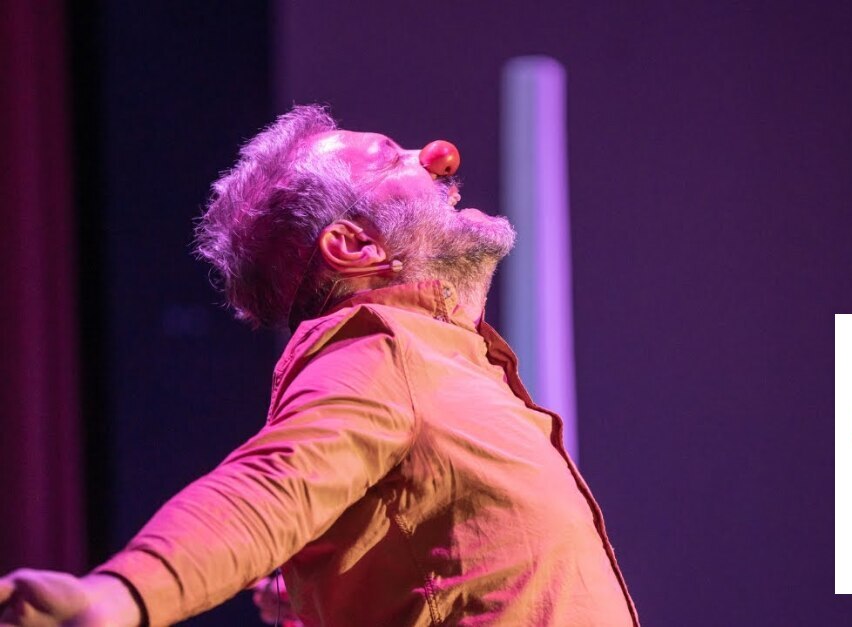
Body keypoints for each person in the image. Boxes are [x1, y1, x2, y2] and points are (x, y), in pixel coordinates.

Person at [0, 105, 638, 626]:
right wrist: (122, 596)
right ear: (355, 245)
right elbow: (272, 486)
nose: (438, 156)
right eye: (392, 158)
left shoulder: (438, 357)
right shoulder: (379, 348)